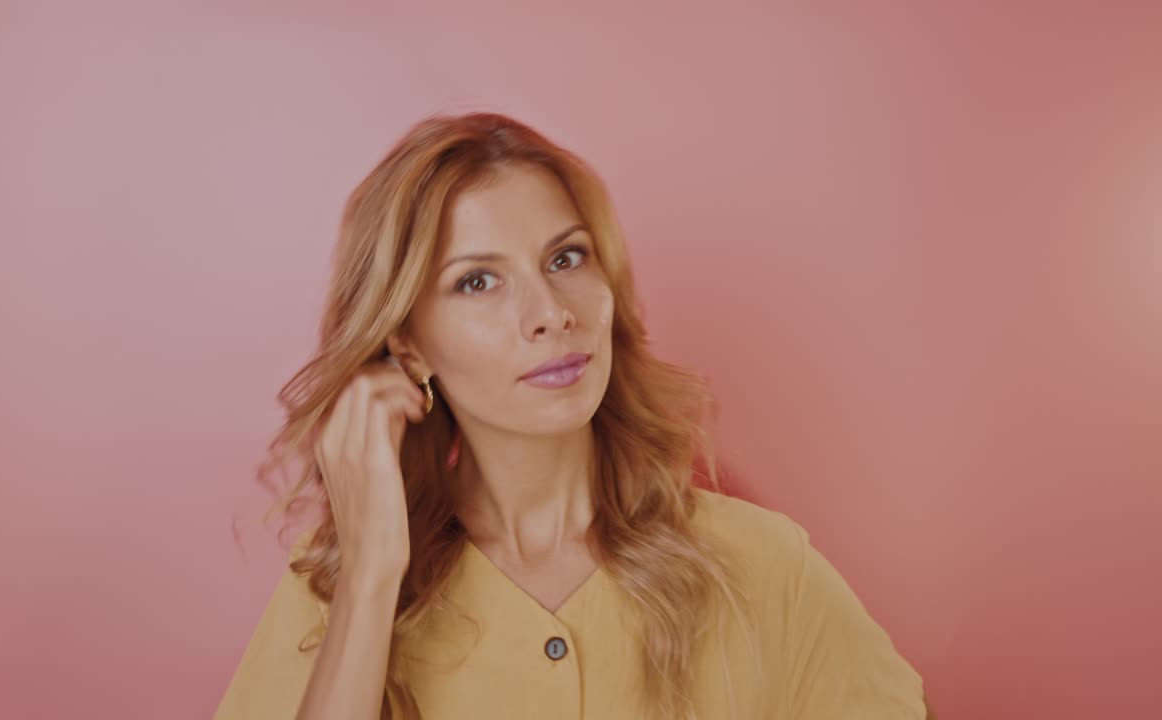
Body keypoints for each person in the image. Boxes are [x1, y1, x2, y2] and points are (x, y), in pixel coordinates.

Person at [214, 111, 930, 719]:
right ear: (406, 341)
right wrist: (373, 574)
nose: (552, 315)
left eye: (565, 259)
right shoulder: (333, 589)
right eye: (478, 281)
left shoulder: (765, 567)